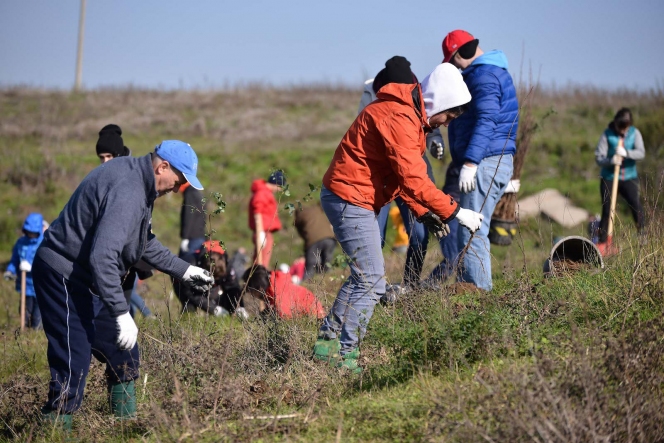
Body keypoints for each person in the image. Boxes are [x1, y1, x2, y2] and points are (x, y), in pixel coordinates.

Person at [313, 61, 484, 373]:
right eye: (450, 114)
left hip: (353, 195)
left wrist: (422, 211)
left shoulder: (409, 115)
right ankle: (344, 358)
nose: (447, 123)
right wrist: (456, 212)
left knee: (362, 277)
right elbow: (414, 179)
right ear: (439, 102)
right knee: (373, 282)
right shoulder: (399, 116)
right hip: (350, 197)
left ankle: (325, 346)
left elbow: (400, 177)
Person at [33, 140, 214, 427]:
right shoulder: (129, 190)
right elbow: (103, 256)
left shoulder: (140, 184)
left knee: (124, 352)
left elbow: (140, 244)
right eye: (177, 181)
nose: (176, 188)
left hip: (88, 278)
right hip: (62, 275)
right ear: (162, 167)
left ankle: (123, 428)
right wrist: (120, 312)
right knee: (74, 360)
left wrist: (185, 270)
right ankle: (53, 431)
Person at [358, 57, 446, 291]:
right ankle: (373, 287)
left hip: (411, 165)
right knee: (376, 234)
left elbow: (429, 120)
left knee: (419, 230)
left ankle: (410, 283)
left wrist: (435, 141)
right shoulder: (370, 92)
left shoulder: (418, 92)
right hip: (381, 173)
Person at [442, 30, 519, 291]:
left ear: (462, 53)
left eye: (453, 60)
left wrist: (471, 162)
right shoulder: (488, 72)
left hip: (486, 161)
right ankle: (471, 289)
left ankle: (478, 295)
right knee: (471, 228)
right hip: (491, 159)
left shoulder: (484, 76)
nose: (453, 67)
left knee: (471, 229)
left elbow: (488, 120)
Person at [95, 124, 154, 319]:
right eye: (101, 157)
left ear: (118, 154)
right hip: (106, 257)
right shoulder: (100, 177)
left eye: (109, 157)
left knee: (123, 310)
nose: (105, 162)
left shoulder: (133, 175)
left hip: (127, 255)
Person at [594, 107, 646, 251]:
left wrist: (627, 153)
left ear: (629, 125)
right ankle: (604, 243)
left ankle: (643, 236)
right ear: (615, 122)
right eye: (620, 127)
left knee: (636, 206)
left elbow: (641, 153)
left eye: (625, 128)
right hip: (609, 177)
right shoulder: (607, 134)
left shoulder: (635, 134)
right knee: (607, 209)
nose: (622, 131)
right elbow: (599, 157)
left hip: (629, 177)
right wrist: (611, 160)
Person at [174, 240, 242, 315]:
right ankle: (186, 321)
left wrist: (240, 307)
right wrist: (213, 309)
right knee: (189, 304)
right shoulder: (191, 266)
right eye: (214, 277)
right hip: (180, 279)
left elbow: (233, 287)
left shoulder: (227, 265)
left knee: (227, 297)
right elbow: (191, 293)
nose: (215, 280)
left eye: (218, 277)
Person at [4, 213, 44, 329]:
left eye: (34, 232)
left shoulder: (44, 243)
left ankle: (36, 335)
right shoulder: (20, 243)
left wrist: (32, 267)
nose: (31, 234)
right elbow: (15, 260)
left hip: (39, 286)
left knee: (37, 315)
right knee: (25, 311)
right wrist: (10, 271)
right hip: (24, 285)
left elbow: (46, 264)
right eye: (29, 231)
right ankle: (24, 332)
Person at [242, 265, 326, 319]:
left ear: (259, 288)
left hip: (314, 318)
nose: (252, 294)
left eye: (251, 291)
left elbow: (286, 318)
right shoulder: (273, 284)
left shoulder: (279, 293)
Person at [249, 170, 285, 268]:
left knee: (262, 260)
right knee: (261, 262)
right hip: (262, 231)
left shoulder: (264, 192)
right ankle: (259, 280)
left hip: (264, 231)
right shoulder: (262, 193)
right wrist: (260, 232)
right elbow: (258, 213)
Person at [293, 203, 336, 280]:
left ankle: (307, 285)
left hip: (313, 241)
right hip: (329, 237)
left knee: (310, 267)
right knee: (327, 263)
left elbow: (302, 234)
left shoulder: (299, 217)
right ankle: (329, 280)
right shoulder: (316, 208)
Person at [178, 182, 206, 263]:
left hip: (192, 237)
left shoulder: (190, 193)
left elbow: (188, 216)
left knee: (186, 263)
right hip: (200, 235)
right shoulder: (197, 193)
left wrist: (185, 237)